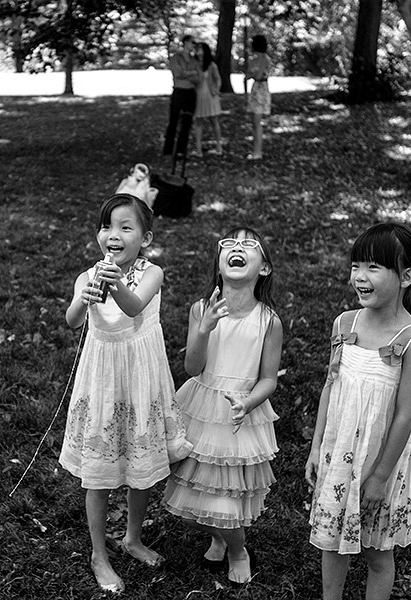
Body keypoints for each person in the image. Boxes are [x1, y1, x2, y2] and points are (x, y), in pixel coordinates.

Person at [60, 193, 192, 594]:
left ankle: (132, 537)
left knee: (140, 462)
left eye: (125, 227)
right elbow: (71, 322)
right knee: (98, 473)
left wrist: (114, 283)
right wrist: (83, 301)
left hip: (140, 378)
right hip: (102, 378)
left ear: (145, 238)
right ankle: (99, 553)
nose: (112, 234)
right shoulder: (88, 276)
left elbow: (134, 308)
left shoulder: (153, 273)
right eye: (106, 226)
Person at [305, 223, 411, 600]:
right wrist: (315, 447)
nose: (360, 276)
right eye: (356, 265)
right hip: (340, 450)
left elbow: (406, 416)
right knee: (330, 541)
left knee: (377, 550)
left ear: (406, 276)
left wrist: (378, 477)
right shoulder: (344, 324)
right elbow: (331, 385)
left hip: (382, 461)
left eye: (374, 267)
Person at [163, 227, 283, 585]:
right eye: (229, 244)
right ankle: (217, 534)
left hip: (238, 416)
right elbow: (192, 367)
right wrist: (205, 328)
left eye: (249, 245)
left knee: (225, 503)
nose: (237, 248)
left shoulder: (268, 321)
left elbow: (269, 379)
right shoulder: (201, 309)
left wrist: (247, 403)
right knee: (190, 506)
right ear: (219, 264)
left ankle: (237, 549)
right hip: (201, 407)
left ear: (264, 268)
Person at [163, 34, 201, 158]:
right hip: (179, 91)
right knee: (173, 121)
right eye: (192, 42)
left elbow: (198, 77)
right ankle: (168, 150)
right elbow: (178, 73)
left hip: (191, 93)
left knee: (187, 122)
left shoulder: (194, 60)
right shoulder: (176, 58)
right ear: (185, 43)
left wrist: (188, 74)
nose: (193, 45)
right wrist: (191, 73)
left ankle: (181, 150)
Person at [191, 43, 223, 157]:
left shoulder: (211, 65)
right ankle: (198, 150)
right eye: (197, 49)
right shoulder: (193, 64)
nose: (198, 51)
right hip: (198, 96)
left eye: (200, 49)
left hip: (210, 95)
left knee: (214, 121)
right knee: (198, 122)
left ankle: (219, 147)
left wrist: (216, 89)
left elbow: (218, 78)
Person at [244, 35, 272, 161]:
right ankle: (255, 150)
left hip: (261, 90)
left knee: (257, 122)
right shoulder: (254, 59)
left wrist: (251, 75)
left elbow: (258, 75)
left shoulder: (265, 59)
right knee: (254, 123)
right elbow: (250, 73)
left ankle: (258, 151)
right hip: (256, 89)